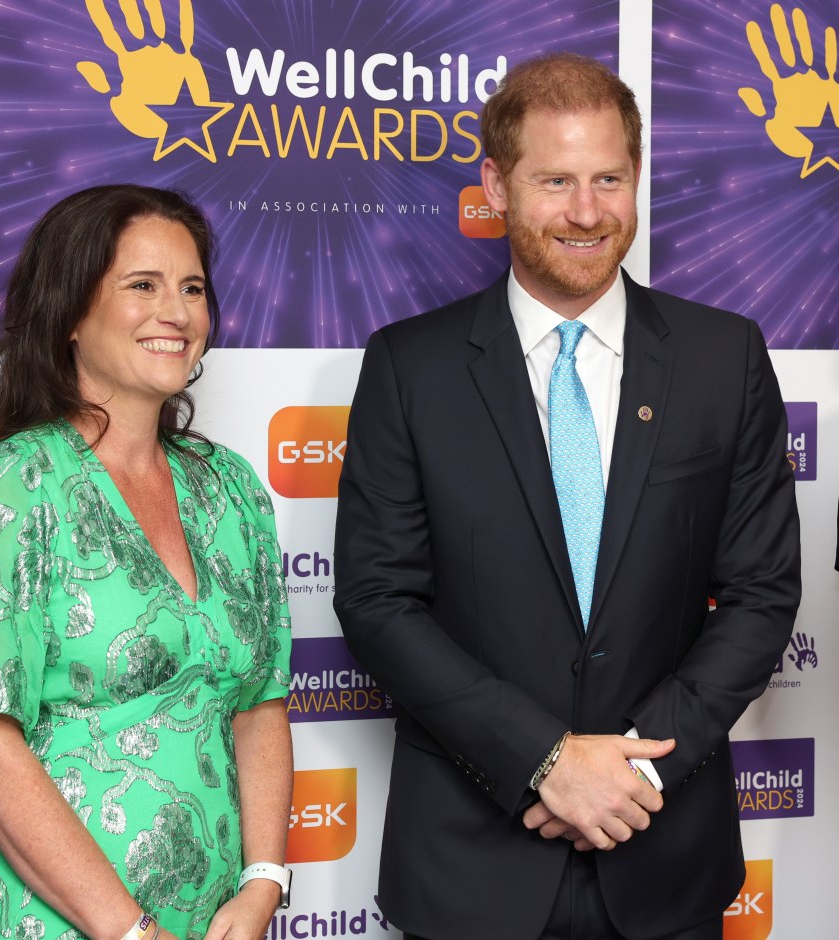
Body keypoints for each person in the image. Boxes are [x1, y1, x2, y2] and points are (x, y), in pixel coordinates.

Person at [333, 53, 800, 940]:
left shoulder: (723, 358)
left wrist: (634, 772)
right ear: (497, 186)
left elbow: (762, 593)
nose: (587, 212)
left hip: (665, 858)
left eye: (609, 179)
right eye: (555, 180)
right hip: (471, 865)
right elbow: (377, 598)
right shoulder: (410, 367)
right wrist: (542, 760)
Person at [0, 185, 294, 940]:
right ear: (71, 312)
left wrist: (262, 881)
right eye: (142, 285)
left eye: (193, 288)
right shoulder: (8, 486)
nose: (175, 311)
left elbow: (260, 702)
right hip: (39, 921)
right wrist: (130, 932)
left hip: (206, 921)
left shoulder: (230, 488)